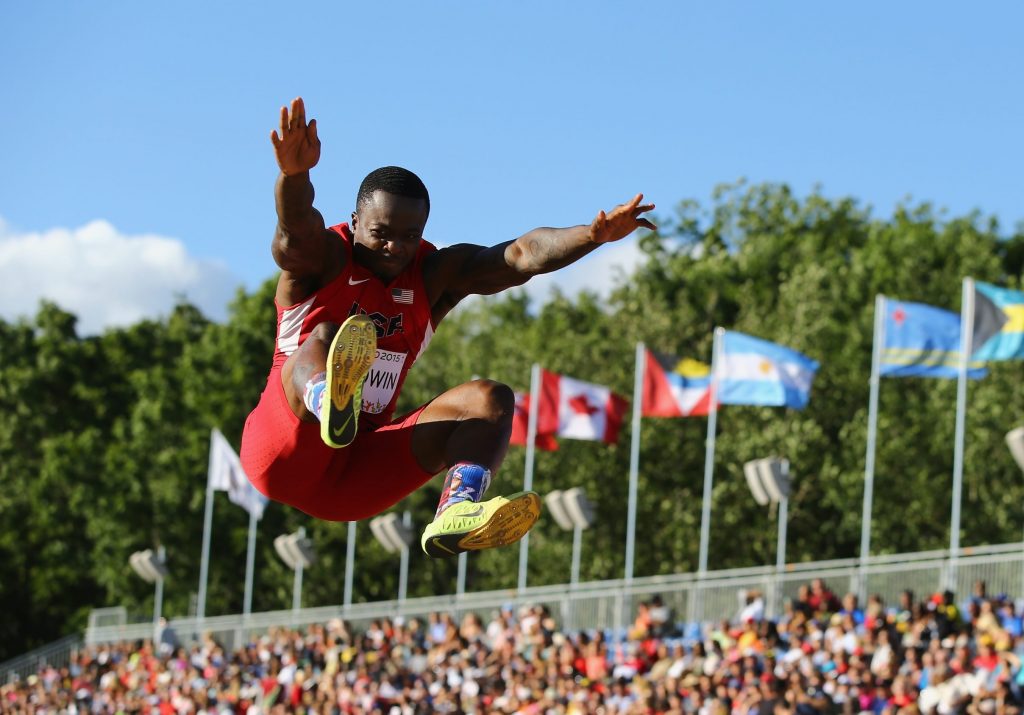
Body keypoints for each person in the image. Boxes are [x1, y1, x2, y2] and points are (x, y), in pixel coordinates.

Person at [239, 97, 655, 557]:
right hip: (281, 450)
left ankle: (457, 509)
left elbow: (521, 255)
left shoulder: (433, 276)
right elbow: (293, 231)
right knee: (326, 336)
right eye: (381, 233)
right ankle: (327, 399)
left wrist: (591, 236)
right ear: (355, 221)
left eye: (409, 236)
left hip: (353, 478)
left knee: (489, 399)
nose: (395, 247)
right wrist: (294, 176)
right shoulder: (322, 258)